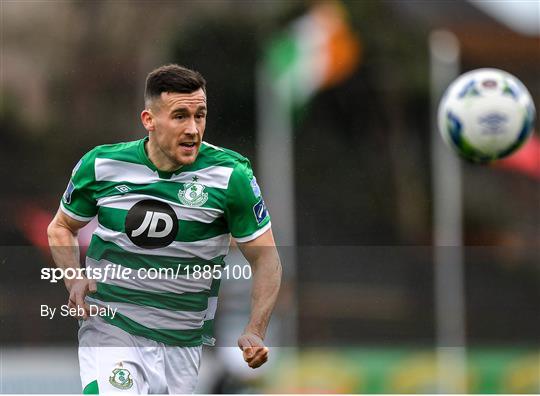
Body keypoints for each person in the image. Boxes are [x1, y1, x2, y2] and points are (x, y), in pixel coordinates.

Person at [47, 64, 282, 394]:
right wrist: (73, 278)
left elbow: (266, 259)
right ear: (149, 120)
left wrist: (256, 329)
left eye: (200, 115)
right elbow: (60, 227)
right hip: (112, 326)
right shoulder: (101, 165)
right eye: (180, 116)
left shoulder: (231, 176)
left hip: (182, 346)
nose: (193, 129)